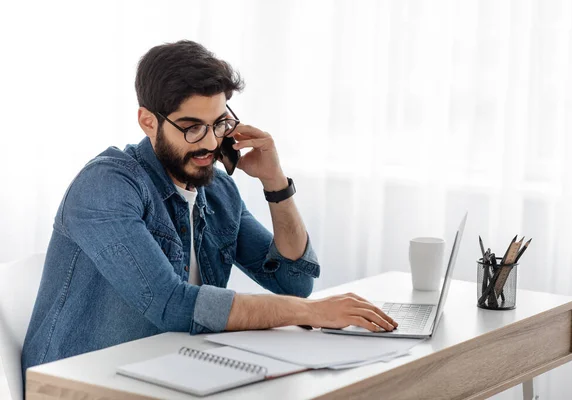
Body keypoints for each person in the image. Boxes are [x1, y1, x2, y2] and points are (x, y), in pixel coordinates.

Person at [22, 40, 396, 374]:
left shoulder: (217, 191)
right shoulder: (107, 185)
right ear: (148, 122)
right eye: (191, 127)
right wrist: (311, 314)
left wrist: (275, 184)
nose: (209, 143)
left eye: (219, 124)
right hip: (78, 382)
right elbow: (171, 305)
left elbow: (294, 282)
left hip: (171, 370)